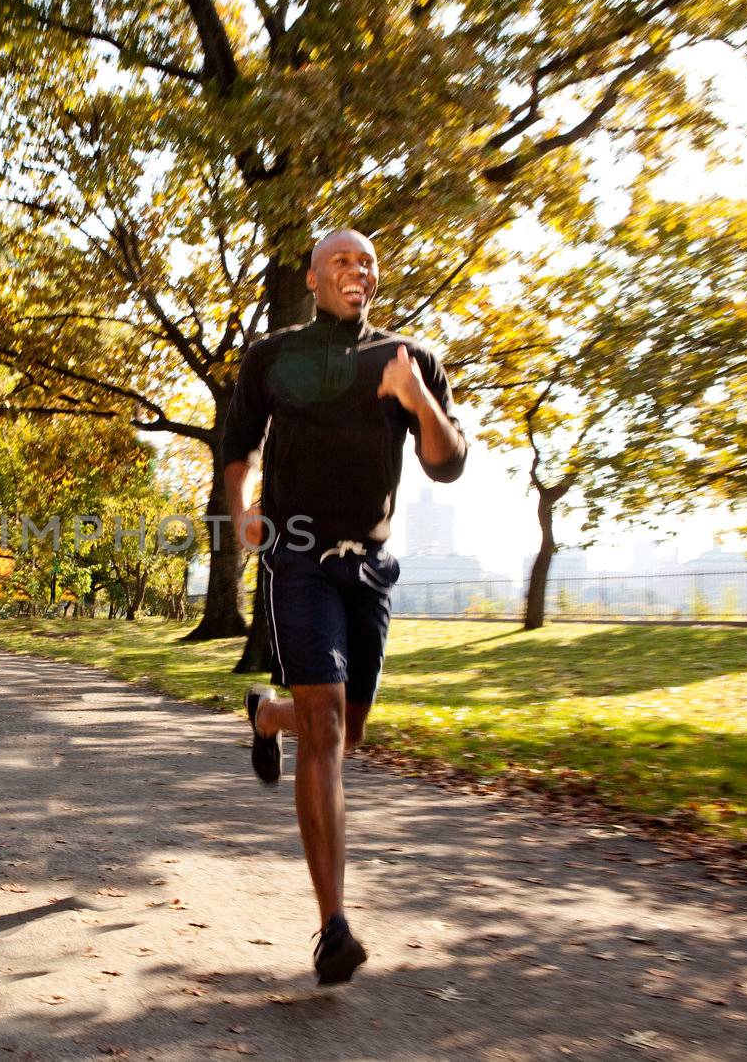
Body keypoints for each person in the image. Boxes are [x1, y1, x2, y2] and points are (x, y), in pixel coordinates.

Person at [221, 228, 467, 984]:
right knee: (326, 725)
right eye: (341, 260)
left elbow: (449, 462)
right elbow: (236, 447)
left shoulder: (408, 358)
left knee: (346, 728)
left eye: (366, 262)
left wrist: (420, 400)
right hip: (295, 556)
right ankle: (333, 925)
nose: (356, 270)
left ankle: (268, 715)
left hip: (371, 565)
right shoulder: (271, 356)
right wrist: (241, 514)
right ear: (313, 276)